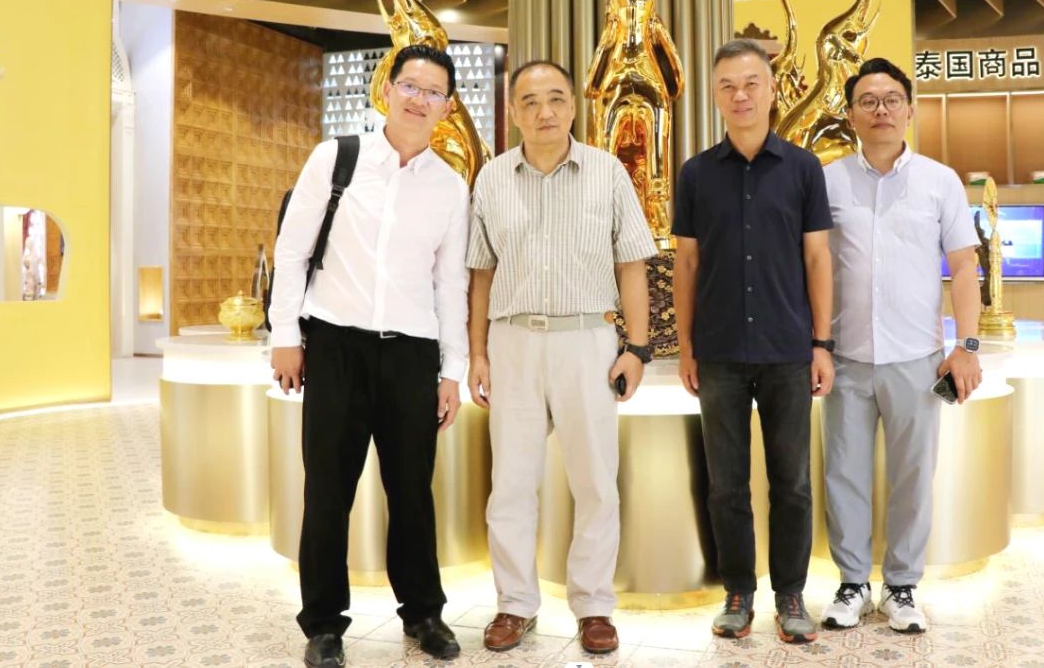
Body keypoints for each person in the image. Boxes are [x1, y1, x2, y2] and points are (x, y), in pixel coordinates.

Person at [270, 45, 470, 666]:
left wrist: (452, 371)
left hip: (412, 355)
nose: (418, 98)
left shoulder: (450, 186)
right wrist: (285, 336)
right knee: (328, 492)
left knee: (412, 491)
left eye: (432, 92)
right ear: (387, 89)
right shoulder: (336, 158)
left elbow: (449, 286)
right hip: (336, 347)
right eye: (409, 85)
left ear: (447, 108)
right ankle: (324, 624)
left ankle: (424, 613)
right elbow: (292, 252)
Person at [466, 60, 656, 655]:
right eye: (529, 101)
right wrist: (477, 352)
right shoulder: (492, 178)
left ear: (574, 106)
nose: (544, 111)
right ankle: (515, 604)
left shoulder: (607, 172)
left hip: (587, 341)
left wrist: (637, 348)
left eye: (555, 99)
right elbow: (480, 274)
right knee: (510, 484)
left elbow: (632, 265)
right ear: (513, 112)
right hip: (513, 342)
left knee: (595, 482)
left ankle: (594, 606)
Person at [671, 39, 834, 644]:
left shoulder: (803, 168)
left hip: (788, 349)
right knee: (727, 485)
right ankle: (738, 591)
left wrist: (822, 343)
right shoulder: (696, 173)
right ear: (716, 96)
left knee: (792, 483)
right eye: (728, 86)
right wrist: (686, 346)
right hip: (718, 352)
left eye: (751, 84)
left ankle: (790, 594)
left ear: (770, 91)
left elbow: (817, 259)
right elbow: (687, 264)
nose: (740, 95)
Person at [819, 57, 982, 634]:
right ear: (851, 115)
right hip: (846, 357)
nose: (881, 109)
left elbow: (964, 267)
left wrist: (967, 346)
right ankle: (852, 583)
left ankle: (903, 586)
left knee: (913, 474)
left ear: (909, 110)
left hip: (918, 357)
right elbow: (812, 266)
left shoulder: (940, 181)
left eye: (891, 99)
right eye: (868, 101)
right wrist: (815, 343)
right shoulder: (828, 181)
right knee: (844, 474)